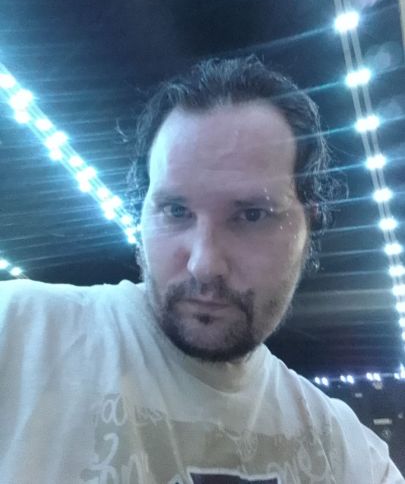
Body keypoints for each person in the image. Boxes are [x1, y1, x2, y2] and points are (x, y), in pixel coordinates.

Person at [0, 55, 403, 483]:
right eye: (176, 210)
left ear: (311, 224)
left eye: (251, 215)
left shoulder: (344, 452)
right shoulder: (19, 333)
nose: (204, 264)